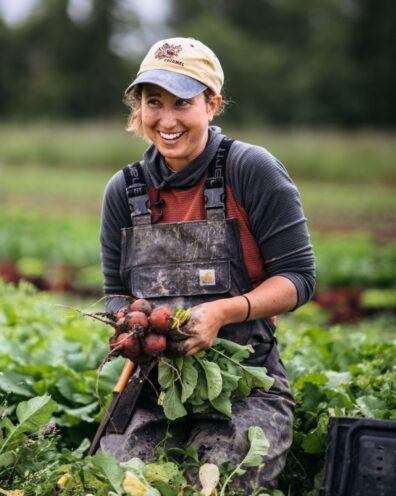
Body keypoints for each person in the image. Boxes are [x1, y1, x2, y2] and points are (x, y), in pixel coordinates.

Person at [98, 36, 315, 491]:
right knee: (124, 484)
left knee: (218, 483)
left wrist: (221, 311)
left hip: (243, 384)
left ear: (212, 104)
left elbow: (299, 279)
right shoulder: (124, 190)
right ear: (139, 108)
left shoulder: (251, 170)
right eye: (154, 102)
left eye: (183, 102)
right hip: (152, 386)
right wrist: (131, 326)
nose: (167, 119)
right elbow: (115, 290)